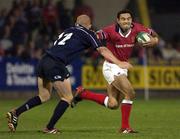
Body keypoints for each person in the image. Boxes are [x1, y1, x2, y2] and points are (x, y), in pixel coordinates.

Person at [6, 14, 132, 134]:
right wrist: (119, 62)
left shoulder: (68, 30)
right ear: (89, 25)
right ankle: (49, 128)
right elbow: (102, 49)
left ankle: (16, 112)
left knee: (44, 96)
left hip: (44, 60)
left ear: (76, 23)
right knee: (67, 97)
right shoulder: (88, 33)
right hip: (56, 63)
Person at [72, 9, 159, 133]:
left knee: (113, 104)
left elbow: (155, 36)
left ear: (131, 20)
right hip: (111, 66)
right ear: (118, 20)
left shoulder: (138, 29)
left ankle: (83, 94)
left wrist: (153, 41)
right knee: (130, 92)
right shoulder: (109, 31)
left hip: (122, 68)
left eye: (128, 19)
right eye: (123, 19)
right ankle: (125, 127)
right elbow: (95, 36)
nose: (126, 21)